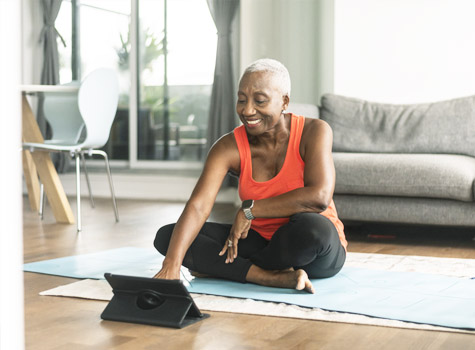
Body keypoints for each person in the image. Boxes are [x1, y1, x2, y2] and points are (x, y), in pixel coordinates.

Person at [153, 58, 347, 293]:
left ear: (284, 101)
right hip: (258, 241)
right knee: (169, 238)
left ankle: (230, 269)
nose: (247, 110)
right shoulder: (228, 147)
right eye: (242, 100)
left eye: (260, 101)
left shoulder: (314, 131)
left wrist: (250, 210)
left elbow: (319, 197)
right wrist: (171, 266)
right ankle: (268, 277)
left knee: (314, 228)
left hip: (312, 249)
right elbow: (199, 206)